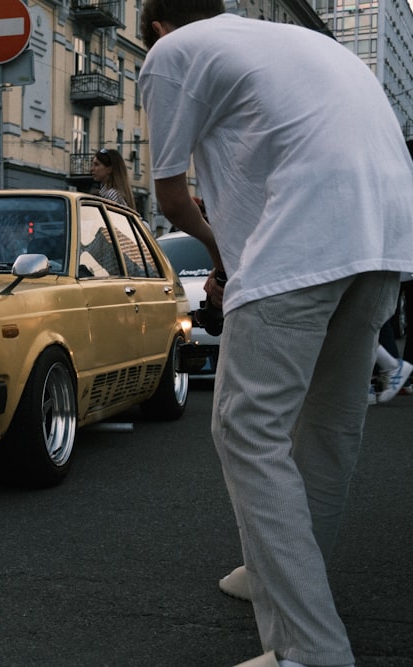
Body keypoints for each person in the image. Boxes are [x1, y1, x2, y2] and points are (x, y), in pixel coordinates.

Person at [139, 2, 413, 666]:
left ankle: (307, 646)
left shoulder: (174, 52)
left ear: (159, 27)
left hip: (311, 229)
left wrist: (221, 255)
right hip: (385, 234)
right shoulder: (292, 46)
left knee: (246, 426)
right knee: (326, 428)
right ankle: (279, 579)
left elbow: (171, 194)